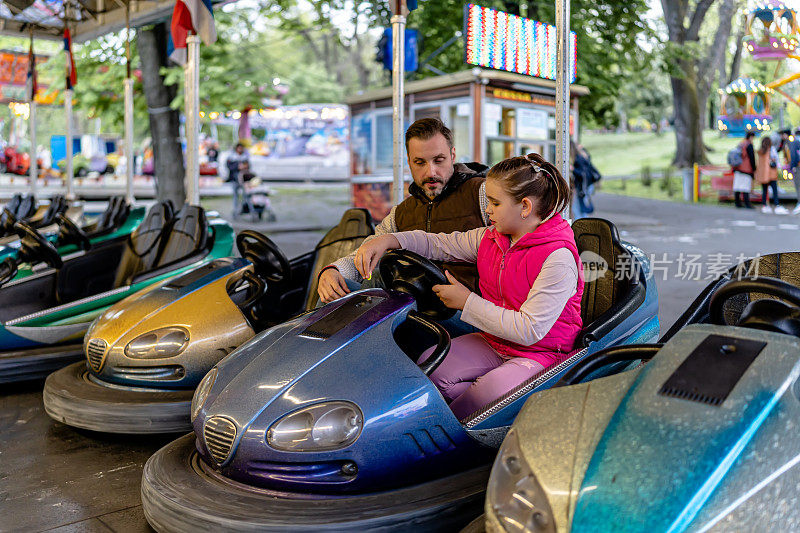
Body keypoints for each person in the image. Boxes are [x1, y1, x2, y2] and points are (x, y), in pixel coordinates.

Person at [352, 153, 583, 419]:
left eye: (495, 203)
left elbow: (529, 330)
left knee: (488, 393)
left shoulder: (558, 258)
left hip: (542, 354)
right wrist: (390, 240)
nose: (487, 210)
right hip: (496, 341)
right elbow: (437, 243)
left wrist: (466, 302)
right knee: (430, 365)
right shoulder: (490, 238)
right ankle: (459, 416)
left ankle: (451, 441)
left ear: (525, 207)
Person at [317, 118, 489, 303]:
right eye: (420, 162)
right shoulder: (401, 213)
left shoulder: (483, 193)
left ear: (453, 156)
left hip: (465, 311)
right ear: (409, 162)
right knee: (334, 291)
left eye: (439, 160)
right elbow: (369, 249)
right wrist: (333, 270)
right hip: (412, 305)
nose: (431, 172)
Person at [755, 136, 788, 214]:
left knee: (764, 190)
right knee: (774, 190)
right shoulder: (771, 150)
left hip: (763, 174)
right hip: (771, 173)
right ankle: (777, 205)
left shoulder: (760, 151)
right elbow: (775, 159)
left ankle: (765, 206)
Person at [570, 141, 601, 219]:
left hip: (583, 188)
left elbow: (583, 174)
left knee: (578, 210)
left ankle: (581, 228)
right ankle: (583, 227)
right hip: (585, 187)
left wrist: (573, 169)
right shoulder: (582, 156)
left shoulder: (578, 159)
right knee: (580, 209)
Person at [732, 132, 756, 209]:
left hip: (738, 168)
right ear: (751, 137)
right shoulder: (749, 145)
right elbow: (752, 158)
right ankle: (747, 203)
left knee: (737, 186)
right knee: (745, 186)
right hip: (746, 169)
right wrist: (754, 168)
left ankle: (737, 203)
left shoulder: (741, 143)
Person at [226, 143, 250, 217]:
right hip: (234, 179)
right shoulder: (232, 157)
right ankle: (235, 211)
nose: (240, 150)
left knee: (245, 195)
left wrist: (244, 167)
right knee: (235, 196)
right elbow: (229, 166)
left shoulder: (245, 157)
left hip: (243, 179)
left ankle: (243, 209)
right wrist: (238, 167)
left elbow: (248, 166)